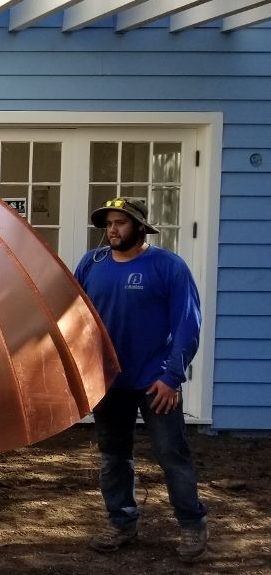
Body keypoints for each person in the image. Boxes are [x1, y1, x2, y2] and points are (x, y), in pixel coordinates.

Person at [74, 197, 208, 563]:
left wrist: (172, 377)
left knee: (171, 455)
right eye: (109, 223)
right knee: (114, 458)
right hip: (109, 381)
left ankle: (193, 525)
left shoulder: (168, 266)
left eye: (120, 222)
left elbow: (187, 323)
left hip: (156, 383)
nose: (112, 229)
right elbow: (73, 316)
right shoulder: (92, 263)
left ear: (139, 226)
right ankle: (122, 523)